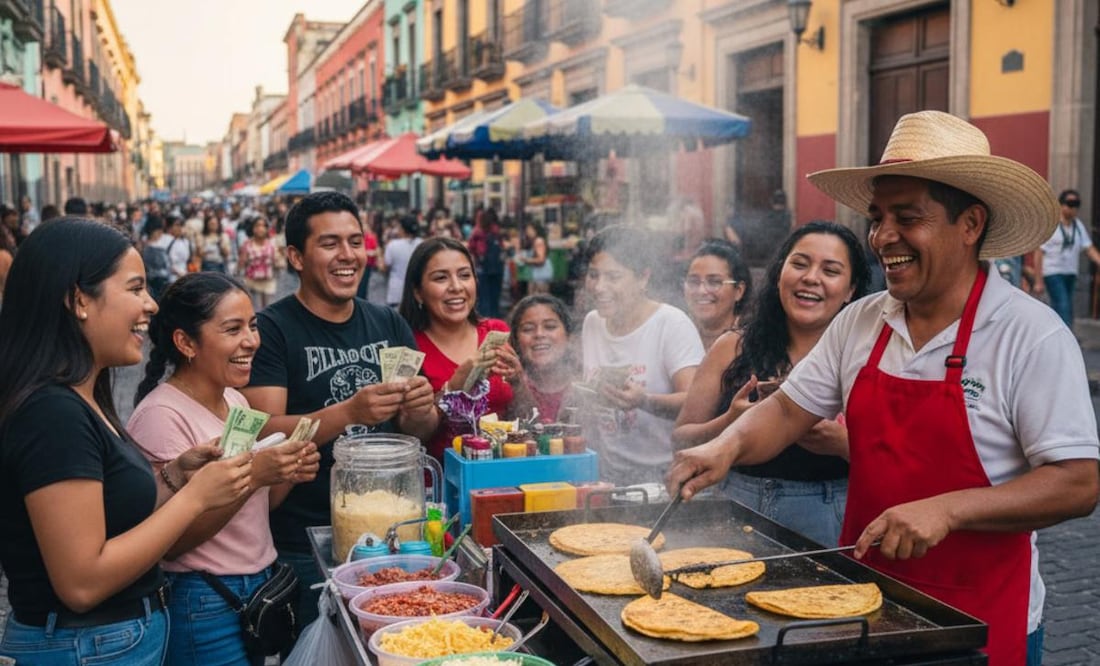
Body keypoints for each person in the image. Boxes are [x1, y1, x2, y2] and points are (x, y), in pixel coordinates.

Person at [668, 111, 1100, 666]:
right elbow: (786, 410)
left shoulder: (1031, 335)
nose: (882, 236)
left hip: (981, 619)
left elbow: (1078, 483)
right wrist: (722, 447)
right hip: (865, 607)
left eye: (907, 217)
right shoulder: (862, 321)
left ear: (970, 224)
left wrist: (947, 511)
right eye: (877, 217)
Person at [0, 218, 252, 665]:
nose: (150, 305)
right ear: (78, 299)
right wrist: (194, 499)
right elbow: (81, 583)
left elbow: (108, 517)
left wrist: (175, 476)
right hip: (84, 647)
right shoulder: (52, 413)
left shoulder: (83, 396)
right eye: (135, 289)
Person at [240, 192, 437, 629]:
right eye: (330, 244)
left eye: (355, 241)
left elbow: (416, 429)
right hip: (305, 538)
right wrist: (349, 411)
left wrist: (421, 407)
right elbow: (264, 432)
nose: (347, 255)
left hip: (392, 533)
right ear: (295, 256)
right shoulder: (272, 330)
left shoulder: (387, 323)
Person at [128, 273, 320, 666]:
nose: (251, 341)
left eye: (252, 326)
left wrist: (285, 471)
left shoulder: (235, 399)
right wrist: (255, 477)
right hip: (204, 595)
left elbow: (257, 510)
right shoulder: (161, 415)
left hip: (256, 585)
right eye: (233, 329)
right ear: (186, 343)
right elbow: (171, 540)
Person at [673, 222, 871, 546]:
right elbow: (680, 439)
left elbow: (904, 466)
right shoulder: (733, 346)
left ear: (851, 290)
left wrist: (842, 443)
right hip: (731, 504)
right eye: (800, 264)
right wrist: (729, 424)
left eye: (831, 270)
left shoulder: (866, 358)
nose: (811, 278)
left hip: (826, 514)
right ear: (780, 273)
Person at [580, 225, 704, 486]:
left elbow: (696, 403)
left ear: (643, 278)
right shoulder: (593, 322)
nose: (599, 287)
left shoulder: (671, 324)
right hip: (607, 474)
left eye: (613, 277)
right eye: (593, 275)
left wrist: (643, 400)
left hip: (666, 476)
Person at [398, 237, 516, 462]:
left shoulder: (496, 331)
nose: (456, 287)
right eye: (441, 278)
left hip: (500, 478)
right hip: (439, 485)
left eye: (464, 275)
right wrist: (454, 387)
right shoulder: (408, 348)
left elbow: (520, 411)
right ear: (417, 292)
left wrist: (519, 380)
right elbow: (412, 434)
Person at [505, 294, 577, 423]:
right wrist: (518, 385)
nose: (539, 334)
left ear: (569, 336)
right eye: (528, 329)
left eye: (550, 327)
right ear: (516, 341)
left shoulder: (585, 385)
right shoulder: (506, 387)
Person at [1034, 189, 1100, 326]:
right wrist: (1038, 280)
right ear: (1061, 205)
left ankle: (1061, 336)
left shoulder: (1078, 226)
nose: (1074, 208)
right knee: (1062, 306)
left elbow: (1088, 248)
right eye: (1070, 204)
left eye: (1076, 204)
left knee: (1067, 308)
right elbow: (1039, 253)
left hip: (1070, 273)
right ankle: (1067, 338)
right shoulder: (1052, 226)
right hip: (1053, 272)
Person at [682, 239, 752, 351]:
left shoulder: (753, 343)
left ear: (739, 291)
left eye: (714, 282)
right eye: (694, 281)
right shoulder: (676, 334)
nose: (702, 291)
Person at [468, 207, 505, 318]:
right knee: (495, 297)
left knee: (484, 298)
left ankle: (485, 322)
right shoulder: (496, 232)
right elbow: (502, 248)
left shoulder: (477, 233)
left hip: (483, 269)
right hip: (497, 269)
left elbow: (472, 249)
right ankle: (495, 321)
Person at [239, 216, 278, 310]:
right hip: (252, 282)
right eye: (257, 225)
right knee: (255, 310)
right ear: (252, 228)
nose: (260, 228)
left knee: (268, 310)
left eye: (263, 226)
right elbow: (241, 264)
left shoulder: (272, 244)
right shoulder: (247, 244)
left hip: (267, 282)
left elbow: (276, 262)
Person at [383, 215, 422, 308]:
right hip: (417, 292)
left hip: (396, 292)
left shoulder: (392, 245)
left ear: (403, 229)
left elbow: (385, 267)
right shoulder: (422, 244)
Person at [517, 221, 553, 295]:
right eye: (527, 230)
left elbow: (541, 259)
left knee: (539, 299)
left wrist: (526, 260)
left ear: (536, 230)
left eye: (530, 230)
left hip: (540, 275)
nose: (528, 232)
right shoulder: (533, 241)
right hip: (537, 275)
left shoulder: (538, 241)